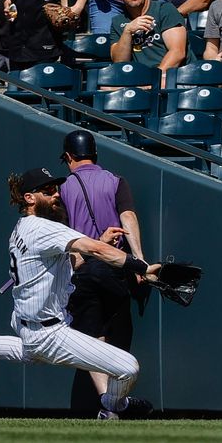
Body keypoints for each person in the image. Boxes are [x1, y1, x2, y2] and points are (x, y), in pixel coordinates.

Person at [0, 167, 160, 420]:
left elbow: (71, 263)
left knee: (21, 350)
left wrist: (98, 243)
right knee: (128, 368)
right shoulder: (43, 228)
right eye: (48, 190)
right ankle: (114, 405)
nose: (56, 195)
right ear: (29, 198)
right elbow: (96, 250)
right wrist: (143, 266)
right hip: (49, 333)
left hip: (27, 325)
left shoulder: (22, 228)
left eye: (56, 189)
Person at [58, 130, 149, 414]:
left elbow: (61, 234)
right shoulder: (114, 180)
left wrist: (75, 264)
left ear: (70, 157)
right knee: (117, 337)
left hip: (83, 269)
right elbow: (128, 217)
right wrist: (139, 260)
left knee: (91, 339)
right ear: (95, 154)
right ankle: (112, 402)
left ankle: (107, 405)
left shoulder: (62, 187)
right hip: (116, 266)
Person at [109, 0, 192, 69]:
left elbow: (177, 53)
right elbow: (119, 62)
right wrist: (127, 32)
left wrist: (155, 79)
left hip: (175, 76)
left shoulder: (164, 10)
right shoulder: (118, 22)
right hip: (140, 79)